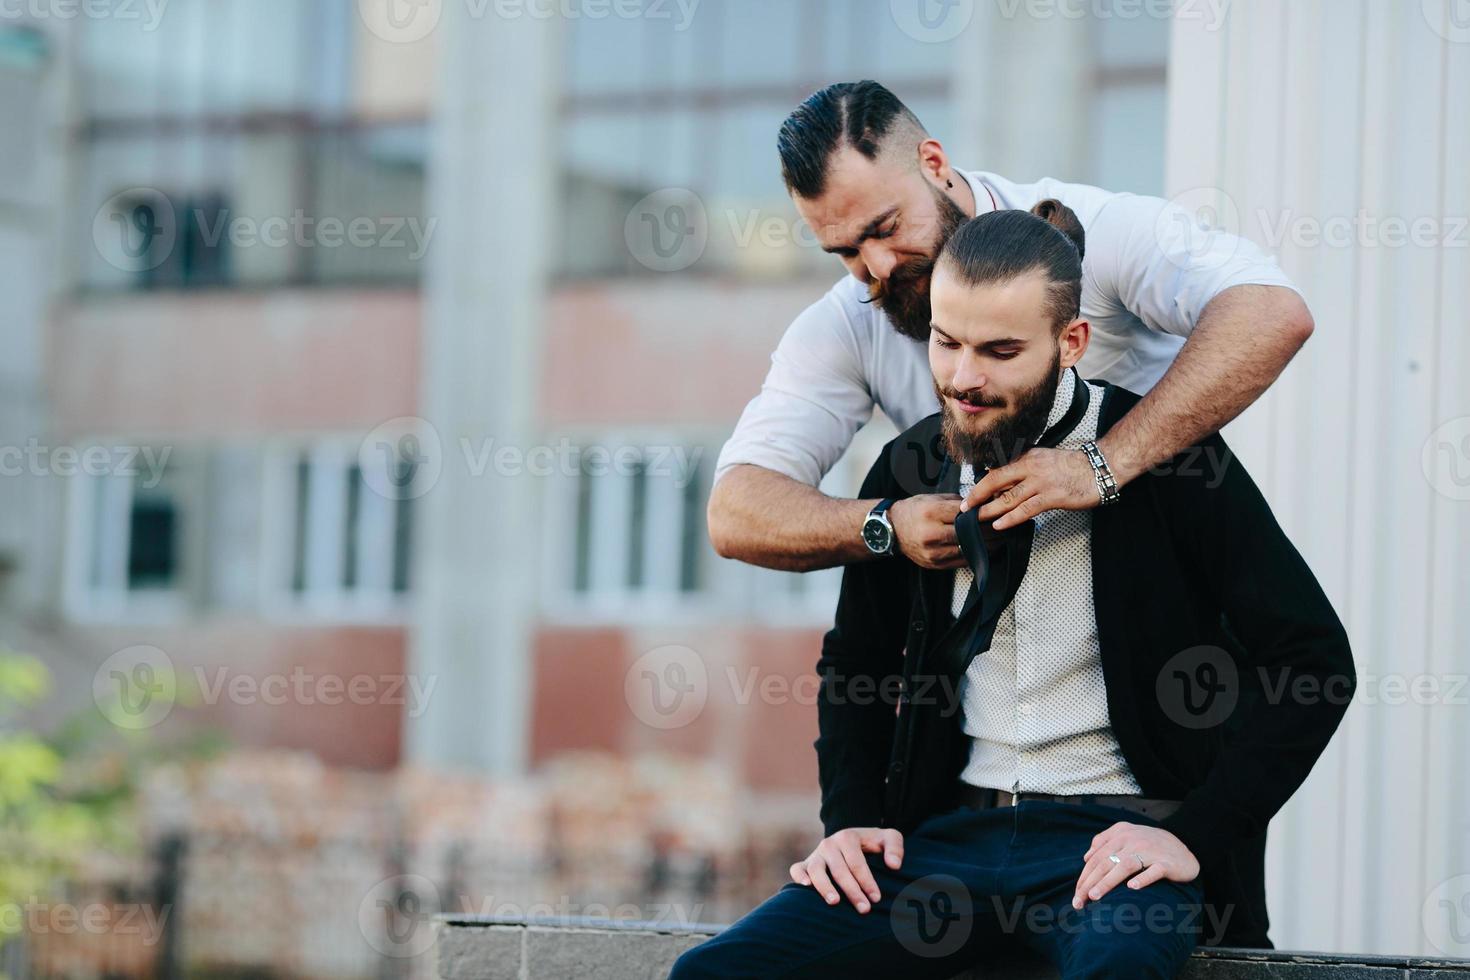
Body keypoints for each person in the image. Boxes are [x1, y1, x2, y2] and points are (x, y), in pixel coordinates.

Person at [671, 201, 1354, 979]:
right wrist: (850, 820)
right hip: (948, 843)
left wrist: (1192, 834)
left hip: (1112, 846)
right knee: (713, 974)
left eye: (998, 351)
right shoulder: (907, 465)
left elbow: (1315, 661)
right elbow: (857, 659)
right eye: (946, 342)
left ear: (1072, 343)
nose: (964, 378)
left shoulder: (1166, 459)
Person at [707, 81, 1315, 573]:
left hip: (1164, 612)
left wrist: (1098, 465)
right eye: (845, 250)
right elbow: (735, 512)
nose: (878, 268)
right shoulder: (848, 320)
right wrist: (884, 525)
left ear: (934, 164)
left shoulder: (1102, 229)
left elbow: (1269, 311)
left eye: (886, 226)